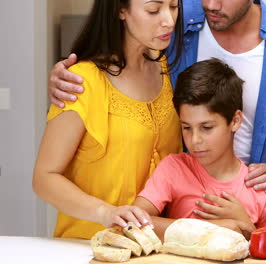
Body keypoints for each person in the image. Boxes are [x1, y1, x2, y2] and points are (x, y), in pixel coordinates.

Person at [47, 0, 266, 202]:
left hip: (249, 200)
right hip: (178, 204)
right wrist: (70, 71)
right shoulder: (177, 16)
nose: (211, 5)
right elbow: (124, 46)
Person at [33, 0, 185, 239]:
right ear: (120, 10)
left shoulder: (165, 68)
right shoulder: (81, 81)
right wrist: (105, 212)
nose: (169, 20)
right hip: (86, 247)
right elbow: (44, 178)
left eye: (174, 7)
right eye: (153, 10)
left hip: (153, 249)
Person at [132, 58, 266, 240]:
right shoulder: (174, 168)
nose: (194, 140)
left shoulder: (259, 188)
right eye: (186, 127)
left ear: (235, 121)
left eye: (207, 128)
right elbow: (134, 221)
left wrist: (245, 226)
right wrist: (212, 228)